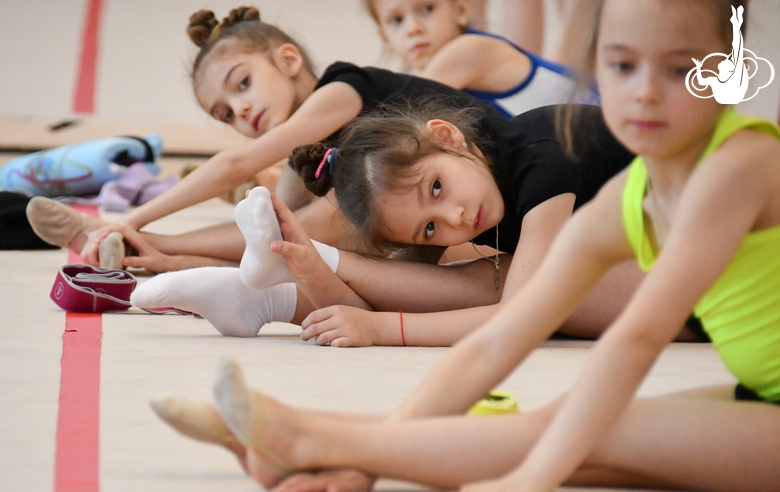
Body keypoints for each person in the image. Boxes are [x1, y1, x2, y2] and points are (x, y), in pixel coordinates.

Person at [151, 1, 780, 490]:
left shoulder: (738, 165)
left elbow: (633, 343)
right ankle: (318, 442)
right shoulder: (627, 195)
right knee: (563, 430)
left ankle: (315, 439)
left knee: (589, 436)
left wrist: (531, 481)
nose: (643, 91)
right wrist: (373, 469)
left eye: (679, 68)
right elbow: (498, 344)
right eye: (621, 66)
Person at [130, 101, 707, 346]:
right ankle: (266, 296)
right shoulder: (470, 179)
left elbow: (518, 319)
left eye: (436, 188)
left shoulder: (545, 160)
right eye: (428, 231)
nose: (454, 217)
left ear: (447, 135)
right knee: (479, 280)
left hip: (720, 284)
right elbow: (378, 300)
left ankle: (280, 292)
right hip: (661, 262)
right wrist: (321, 279)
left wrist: (385, 332)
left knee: (522, 284)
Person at [26, 5, 510, 271]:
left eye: (243, 84)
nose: (240, 109)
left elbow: (234, 166)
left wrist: (129, 218)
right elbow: (267, 225)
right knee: (284, 231)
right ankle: (147, 252)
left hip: (483, 167)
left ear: (289, 61)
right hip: (443, 210)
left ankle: (137, 243)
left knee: (311, 227)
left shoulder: (339, 90)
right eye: (224, 112)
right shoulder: (312, 154)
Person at [363, 0, 599, 117]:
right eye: (396, 20)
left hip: (606, 131)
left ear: (460, 11)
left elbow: (399, 117)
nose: (413, 28)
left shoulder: (465, 51)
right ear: (385, 38)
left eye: (427, 9)